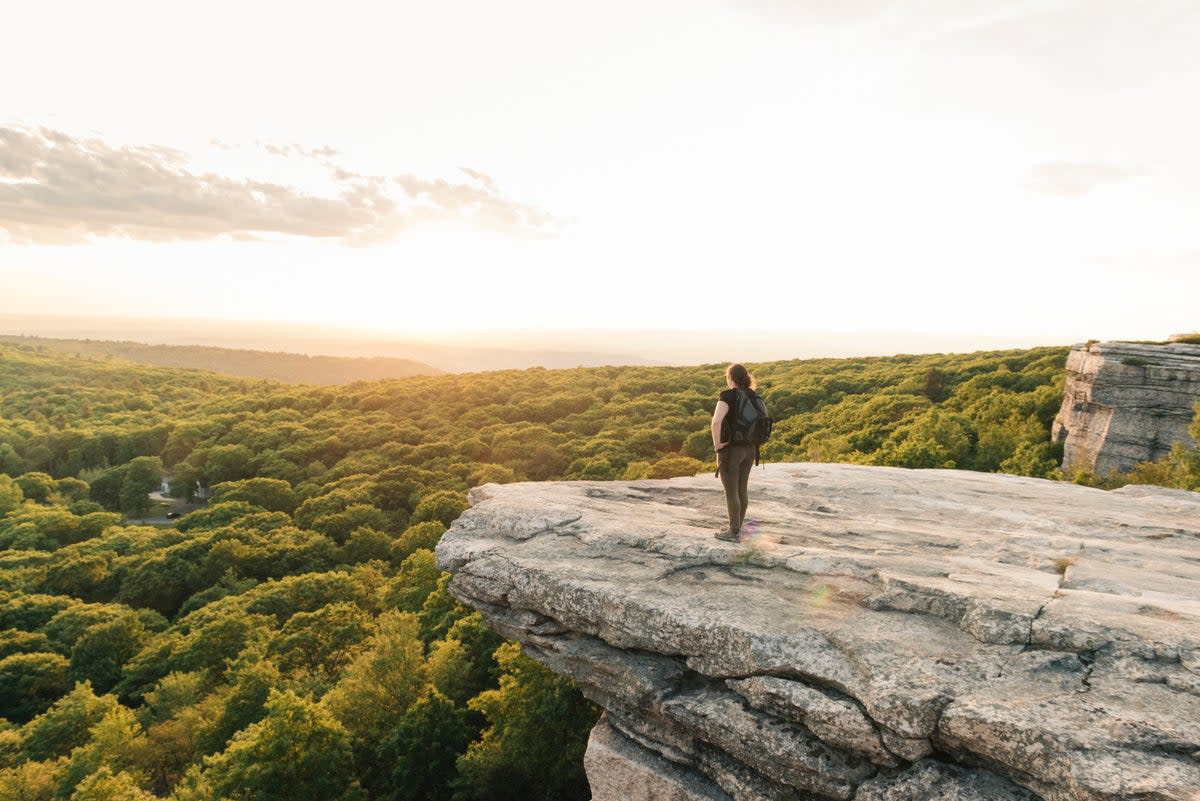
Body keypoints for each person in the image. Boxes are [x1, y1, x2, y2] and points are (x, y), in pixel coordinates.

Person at [712, 363, 758, 542]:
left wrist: (718, 445)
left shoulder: (728, 396)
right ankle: (737, 526)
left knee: (731, 491)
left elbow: (716, 422)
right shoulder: (754, 395)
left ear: (730, 377)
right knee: (741, 489)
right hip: (750, 449)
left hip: (731, 450)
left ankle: (733, 532)